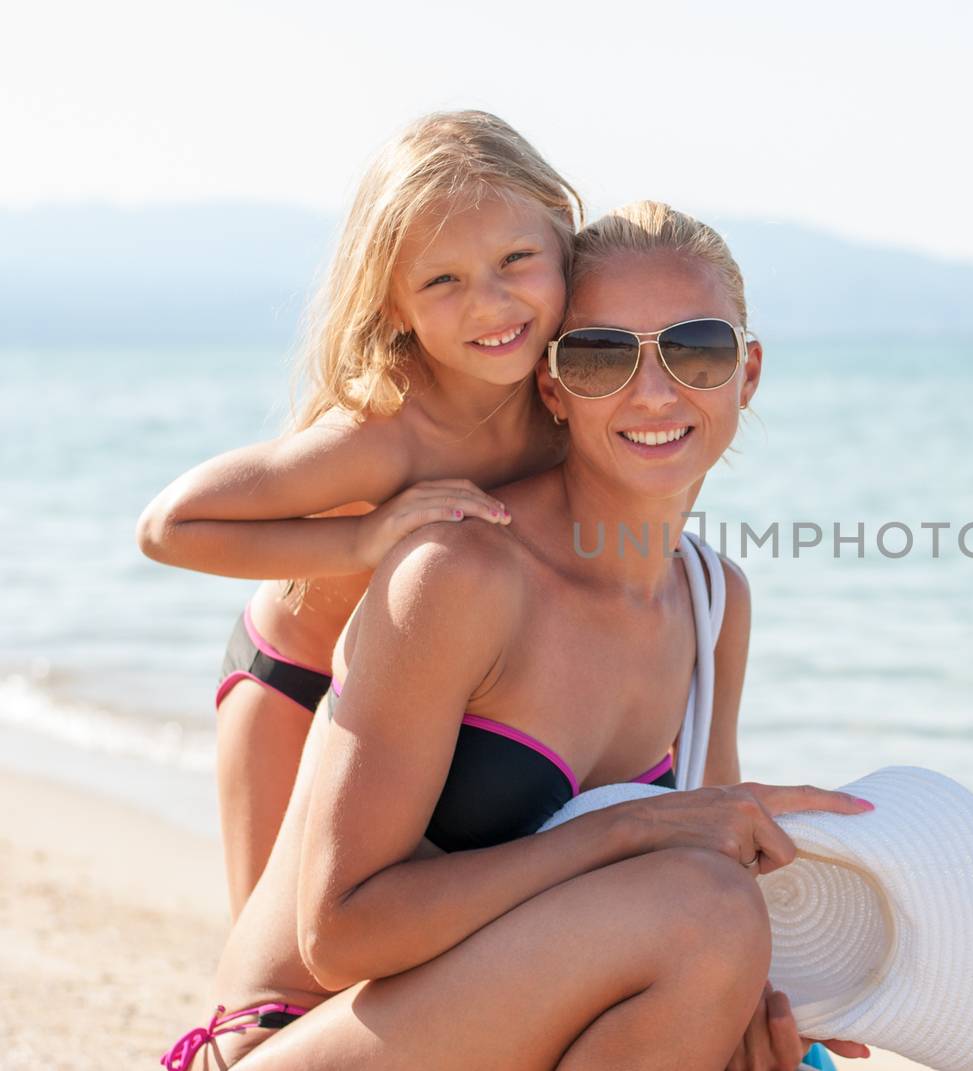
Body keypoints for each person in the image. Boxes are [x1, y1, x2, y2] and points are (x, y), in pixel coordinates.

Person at [160, 203, 873, 1070]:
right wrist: (624, 836)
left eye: (697, 349)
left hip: (503, 1031)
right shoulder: (462, 572)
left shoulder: (716, 601)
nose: (654, 391)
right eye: (603, 356)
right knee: (706, 912)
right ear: (552, 386)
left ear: (747, 372)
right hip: (302, 1035)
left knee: (747, 988)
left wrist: (765, 1005)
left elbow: (679, 885)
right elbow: (339, 934)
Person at [137, 110, 579, 918]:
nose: (491, 301)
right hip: (296, 689)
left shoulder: (567, 405)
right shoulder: (385, 430)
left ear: (564, 236)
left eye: (516, 258)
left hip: (427, 708)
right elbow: (169, 525)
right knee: (272, 993)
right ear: (396, 305)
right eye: (441, 280)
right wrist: (366, 536)